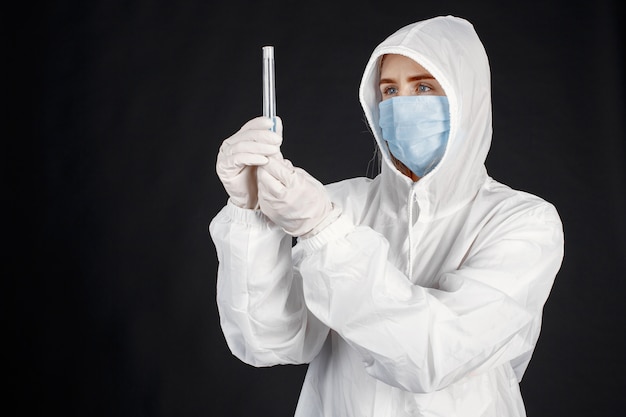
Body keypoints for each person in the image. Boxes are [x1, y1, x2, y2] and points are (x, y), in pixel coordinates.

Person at [209, 15, 564, 417]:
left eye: (424, 87)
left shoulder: (523, 222)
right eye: (390, 90)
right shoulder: (343, 206)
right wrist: (251, 214)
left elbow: (436, 355)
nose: (402, 105)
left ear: (469, 98)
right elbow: (270, 341)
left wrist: (325, 233)